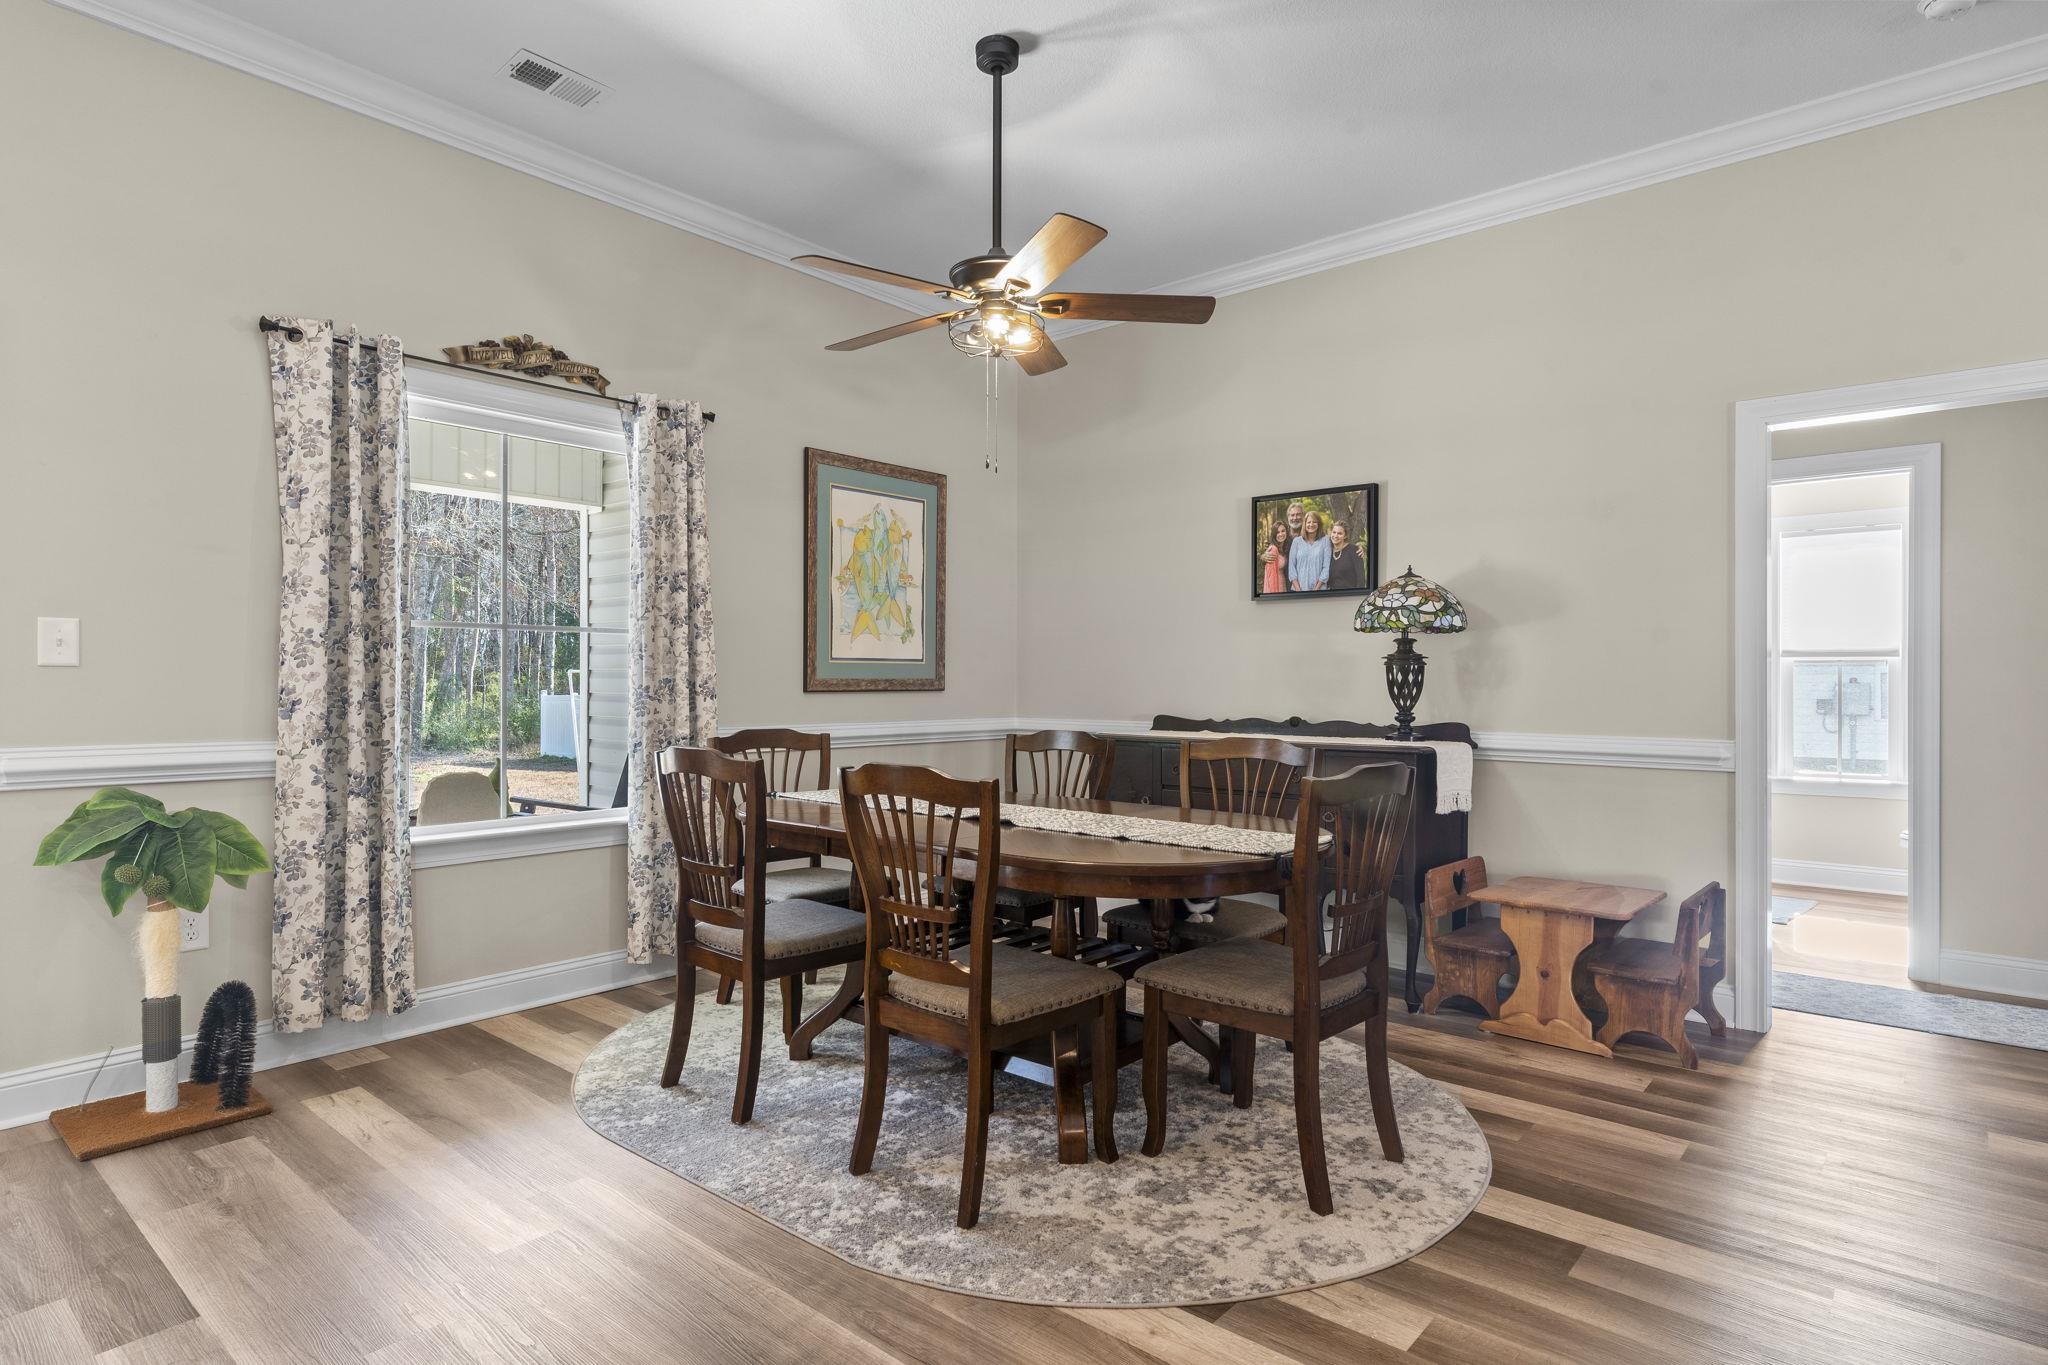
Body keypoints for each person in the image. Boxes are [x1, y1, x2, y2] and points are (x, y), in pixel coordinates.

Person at [1288, 508, 1331, 590]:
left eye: (1314, 522)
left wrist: (1317, 588)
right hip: (1298, 590)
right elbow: (1291, 568)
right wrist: (1298, 590)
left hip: (1319, 590)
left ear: (1319, 524)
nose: (1311, 524)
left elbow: (1326, 567)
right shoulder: (1296, 542)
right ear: (1305, 524)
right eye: (1308, 522)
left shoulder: (1325, 541)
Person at [1327, 518, 1365, 591]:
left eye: (1339, 533)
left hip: (1349, 595)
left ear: (1345, 536)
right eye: (1334, 532)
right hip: (1331, 596)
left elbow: (1361, 579)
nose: (1335, 535)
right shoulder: (1328, 551)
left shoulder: (1354, 550)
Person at [1260, 516, 1292, 594]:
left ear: (1286, 532)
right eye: (1277, 532)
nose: (1281, 534)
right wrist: (1274, 594)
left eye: (1283, 531)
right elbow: (1270, 577)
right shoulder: (1273, 549)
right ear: (1274, 534)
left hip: (1283, 583)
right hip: (1275, 586)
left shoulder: (1285, 547)